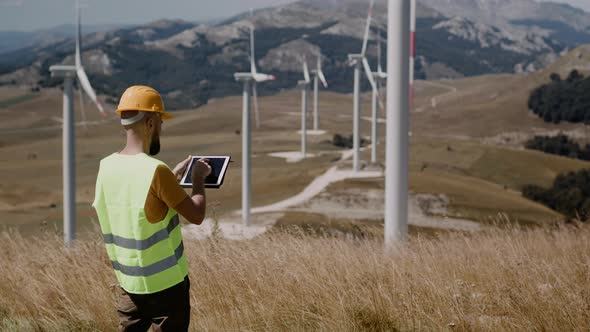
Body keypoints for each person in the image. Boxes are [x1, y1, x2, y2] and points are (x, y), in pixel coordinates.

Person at [92, 85, 211, 332]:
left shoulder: (106, 166)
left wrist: (172, 179)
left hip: (129, 283)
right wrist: (198, 178)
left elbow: (140, 203)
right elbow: (197, 215)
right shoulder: (156, 170)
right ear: (150, 122)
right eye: (160, 122)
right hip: (167, 287)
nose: (161, 128)